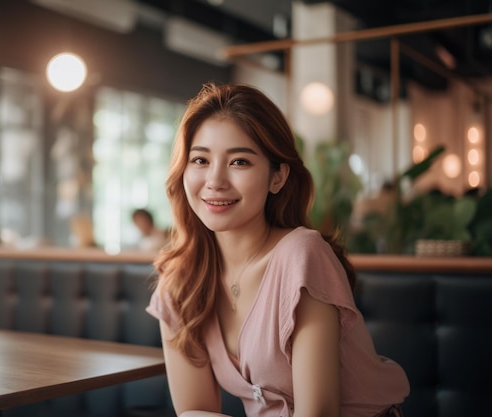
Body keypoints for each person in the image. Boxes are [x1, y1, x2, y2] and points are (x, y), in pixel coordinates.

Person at [146, 83, 409, 417]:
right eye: (200, 159)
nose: (215, 180)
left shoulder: (301, 255)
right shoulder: (179, 283)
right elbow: (193, 413)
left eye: (239, 161)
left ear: (278, 177)